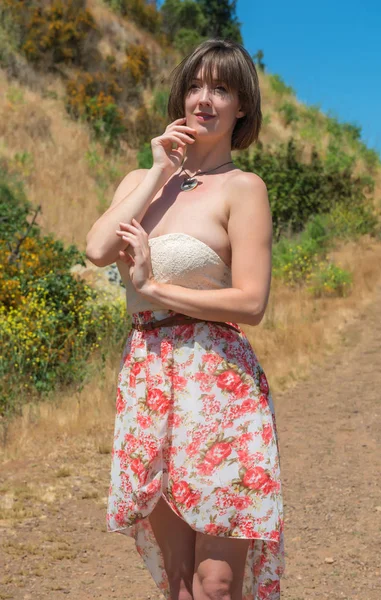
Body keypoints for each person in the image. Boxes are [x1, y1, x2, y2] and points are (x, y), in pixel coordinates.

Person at [86, 38, 285, 600]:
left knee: (216, 583)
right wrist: (157, 171)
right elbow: (98, 248)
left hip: (220, 385)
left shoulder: (244, 189)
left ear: (242, 106)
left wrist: (154, 287)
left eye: (221, 88)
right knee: (177, 584)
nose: (205, 99)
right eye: (196, 85)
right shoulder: (140, 181)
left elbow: (251, 302)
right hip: (149, 379)